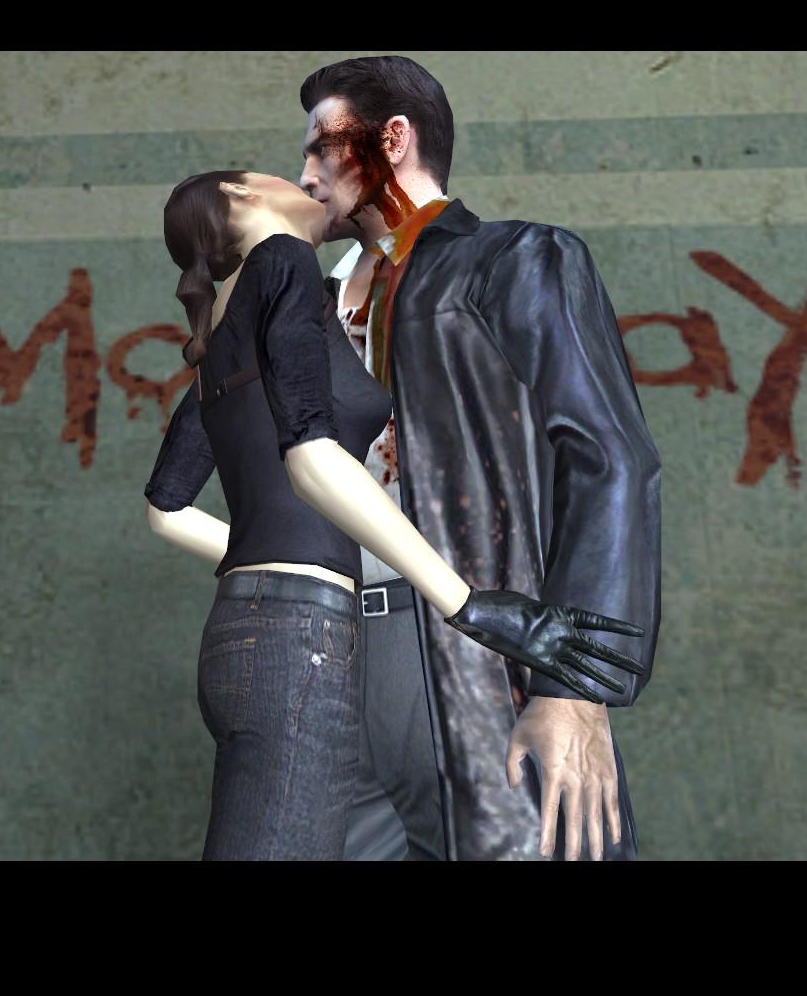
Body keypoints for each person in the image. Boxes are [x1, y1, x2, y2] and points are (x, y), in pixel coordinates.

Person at [142, 169, 648, 861]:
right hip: (302, 640)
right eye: (282, 174)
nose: (305, 180)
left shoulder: (227, 320)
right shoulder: (284, 259)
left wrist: (279, 557)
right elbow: (311, 456)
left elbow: (166, 510)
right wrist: (469, 604)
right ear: (241, 197)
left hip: (245, 631)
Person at [297, 56, 665, 861]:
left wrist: (576, 686)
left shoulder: (514, 261)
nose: (307, 176)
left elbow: (609, 459)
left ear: (391, 140)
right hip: (324, 653)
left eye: (322, 148)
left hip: (483, 648)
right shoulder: (310, 303)